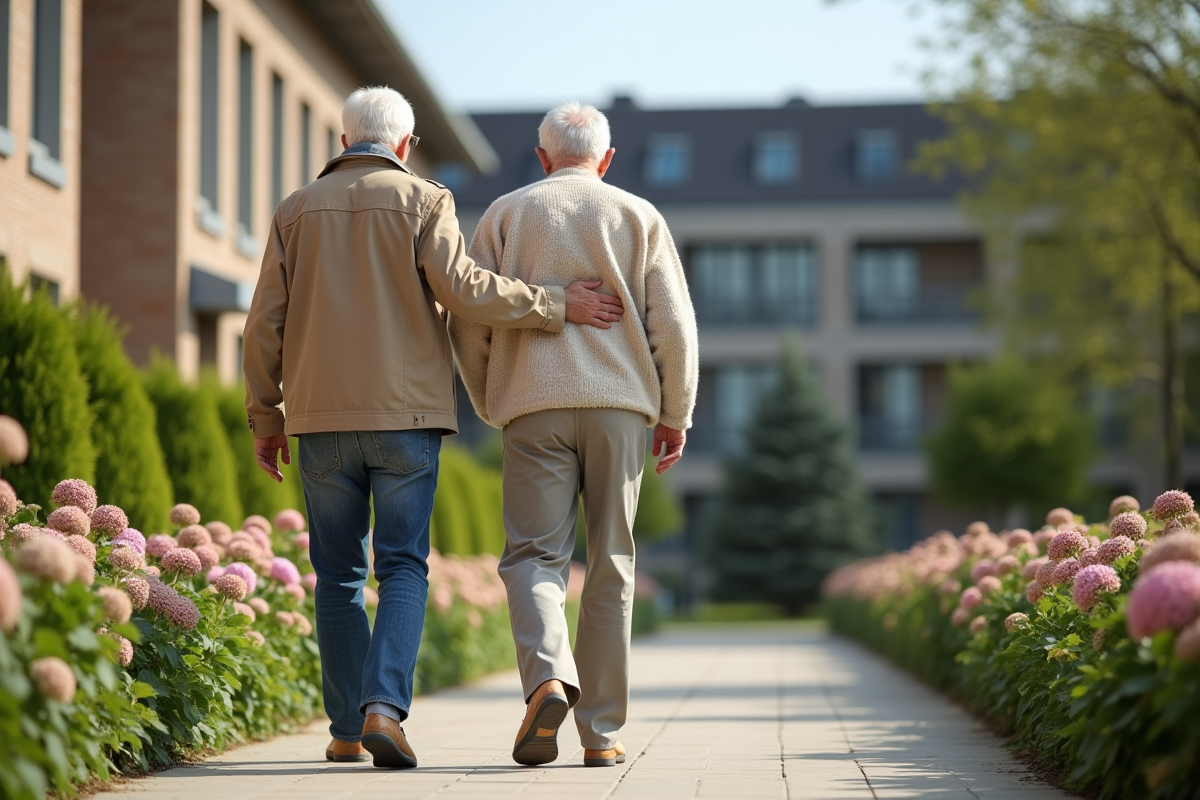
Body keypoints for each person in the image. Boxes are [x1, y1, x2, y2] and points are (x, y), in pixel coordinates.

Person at [242, 87, 625, 770]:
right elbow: (466, 290)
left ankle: (346, 731)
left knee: (335, 576)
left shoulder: (295, 210)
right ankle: (383, 710)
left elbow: (263, 323)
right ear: (405, 146)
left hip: (318, 422)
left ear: (343, 143)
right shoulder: (425, 200)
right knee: (401, 566)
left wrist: (264, 417)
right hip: (407, 420)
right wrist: (556, 304)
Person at [450, 101, 699, 768]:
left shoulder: (505, 213)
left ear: (541, 157)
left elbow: (468, 318)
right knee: (612, 565)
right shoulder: (638, 215)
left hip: (533, 407)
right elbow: (673, 325)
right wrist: (676, 412)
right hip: (620, 408)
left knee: (534, 556)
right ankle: (602, 735)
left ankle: (549, 680)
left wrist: (491, 398)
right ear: (607, 159)